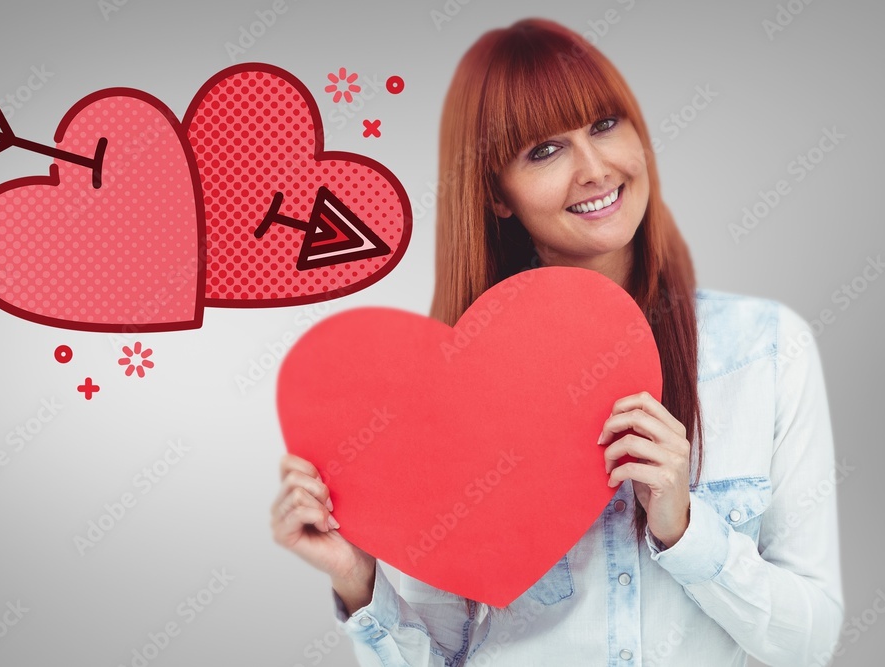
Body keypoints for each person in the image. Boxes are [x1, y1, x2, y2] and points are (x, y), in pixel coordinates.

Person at [270, 18, 843, 666]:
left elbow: (811, 642)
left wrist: (685, 529)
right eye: (544, 150)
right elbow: (439, 656)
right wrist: (357, 578)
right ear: (497, 193)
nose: (595, 169)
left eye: (604, 125)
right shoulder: (446, 395)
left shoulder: (766, 350)